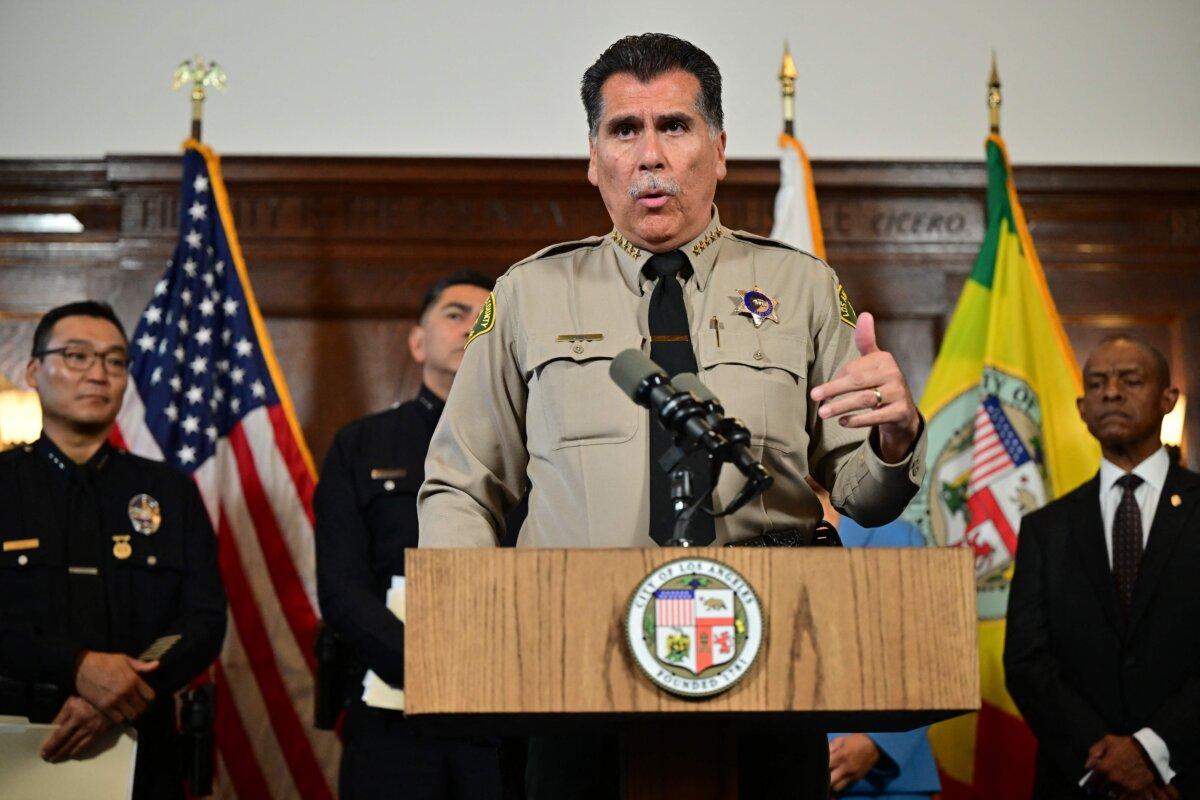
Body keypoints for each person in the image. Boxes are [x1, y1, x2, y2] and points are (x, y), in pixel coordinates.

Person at [418, 34, 927, 799]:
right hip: (570, 667)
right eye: (625, 130)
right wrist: (479, 629)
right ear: (594, 158)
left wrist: (893, 439)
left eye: (675, 127)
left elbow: (861, 493)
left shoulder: (804, 286)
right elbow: (462, 481)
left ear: (719, 149)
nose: (650, 155)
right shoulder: (528, 294)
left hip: (770, 659)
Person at [0, 300, 227, 799]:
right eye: (78, 356)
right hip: (14, 742)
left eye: (115, 361)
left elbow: (202, 618)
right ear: (34, 371)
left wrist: (117, 692)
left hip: (141, 745)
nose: (99, 374)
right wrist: (76, 666)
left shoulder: (169, 491)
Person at [314, 270, 507, 800]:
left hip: (502, 709)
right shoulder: (360, 444)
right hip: (392, 706)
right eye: (455, 314)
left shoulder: (537, 446)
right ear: (418, 341)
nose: (471, 328)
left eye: (486, 318)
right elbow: (340, 585)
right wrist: (422, 663)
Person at [1005, 335, 1198, 799]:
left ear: (1168, 400)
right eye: (1096, 384)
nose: (1111, 392)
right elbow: (1027, 663)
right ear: (1081, 408)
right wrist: (1106, 761)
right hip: (1082, 781)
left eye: (1130, 380)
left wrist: (1151, 752)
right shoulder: (1044, 528)